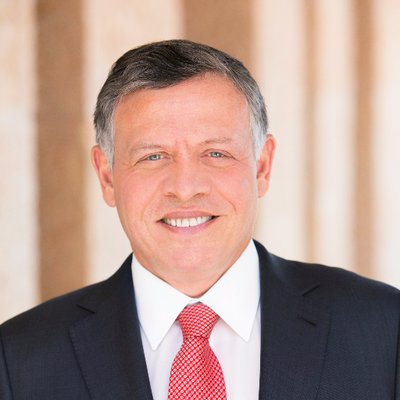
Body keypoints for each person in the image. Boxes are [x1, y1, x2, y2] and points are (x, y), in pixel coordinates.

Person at [0, 39, 399, 400]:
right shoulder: (19, 360)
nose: (186, 188)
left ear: (262, 166)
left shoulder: (385, 330)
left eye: (216, 153)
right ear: (107, 177)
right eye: (153, 156)